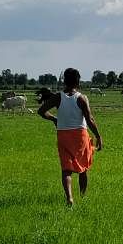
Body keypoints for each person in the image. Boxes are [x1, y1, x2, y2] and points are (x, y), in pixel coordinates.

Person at [37, 68, 102, 206]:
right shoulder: (81, 98)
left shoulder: (57, 97)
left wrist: (54, 119)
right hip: (80, 136)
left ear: (65, 81)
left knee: (66, 169)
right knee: (83, 168)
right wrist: (98, 136)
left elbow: (41, 111)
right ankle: (83, 196)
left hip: (63, 135)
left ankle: (69, 198)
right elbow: (89, 119)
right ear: (78, 81)